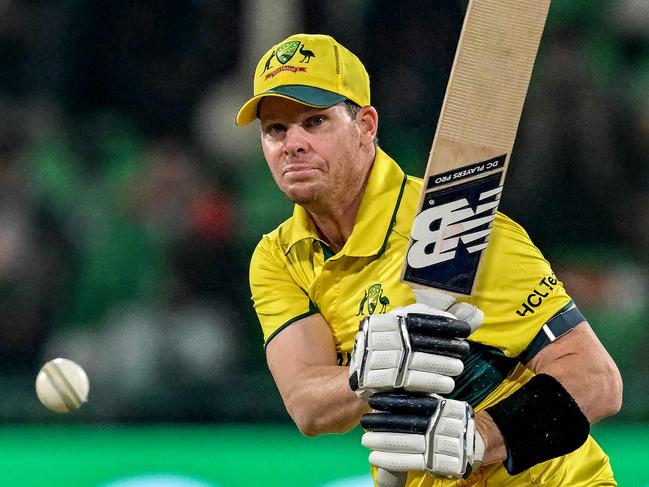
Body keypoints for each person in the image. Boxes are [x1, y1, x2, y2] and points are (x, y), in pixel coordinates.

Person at [236, 33, 623, 486]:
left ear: (365, 125)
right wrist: (368, 375)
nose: (292, 143)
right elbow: (308, 406)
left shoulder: (458, 224)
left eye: (315, 121)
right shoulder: (279, 257)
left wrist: (482, 437)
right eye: (276, 129)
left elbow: (598, 382)